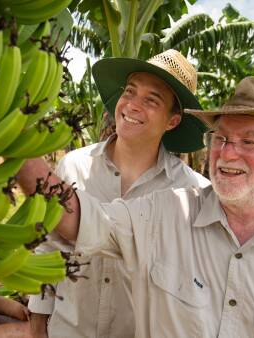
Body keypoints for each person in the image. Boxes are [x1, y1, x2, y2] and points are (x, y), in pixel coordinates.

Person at [18, 76, 254, 337]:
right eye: (220, 137)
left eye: (249, 142)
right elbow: (80, 219)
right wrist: (16, 140)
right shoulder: (166, 213)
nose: (227, 153)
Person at [27, 49, 210, 338]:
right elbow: (48, 249)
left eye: (152, 100)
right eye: (129, 91)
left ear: (172, 121)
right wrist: (37, 325)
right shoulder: (74, 166)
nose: (132, 105)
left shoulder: (192, 193)